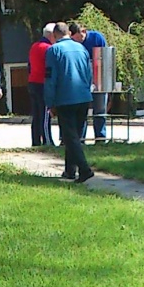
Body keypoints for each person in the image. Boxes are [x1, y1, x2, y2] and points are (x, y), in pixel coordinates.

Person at [43, 28, 94, 183]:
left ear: (54, 35)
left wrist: (50, 103)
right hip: (83, 97)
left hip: (65, 98)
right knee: (75, 136)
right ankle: (69, 170)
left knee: (69, 136)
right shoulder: (81, 48)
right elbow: (89, 74)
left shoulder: (53, 50)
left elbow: (50, 78)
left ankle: (84, 169)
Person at [71, 23, 110, 141]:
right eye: (75, 40)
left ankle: (100, 137)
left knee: (100, 110)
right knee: (82, 110)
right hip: (82, 81)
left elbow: (105, 58)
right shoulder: (73, 44)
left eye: (80, 38)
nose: (79, 42)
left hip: (98, 79)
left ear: (83, 31)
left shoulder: (97, 38)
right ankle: (81, 138)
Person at [27, 24, 57, 148]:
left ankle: (35, 140)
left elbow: (29, 65)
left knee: (36, 114)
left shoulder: (34, 46)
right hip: (42, 83)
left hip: (33, 82)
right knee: (45, 113)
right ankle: (47, 140)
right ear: (50, 35)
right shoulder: (48, 48)